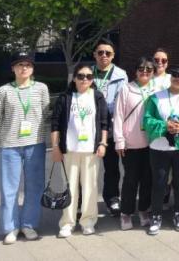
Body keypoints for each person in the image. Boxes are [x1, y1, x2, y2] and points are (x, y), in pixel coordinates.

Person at [0, 53, 50, 245]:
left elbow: (46, 114)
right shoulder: (4, 91)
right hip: (10, 146)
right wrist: (7, 134)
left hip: (35, 144)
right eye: (19, 65)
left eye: (28, 65)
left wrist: (38, 135)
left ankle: (28, 225)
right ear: (13, 68)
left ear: (32, 68)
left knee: (35, 187)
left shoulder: (41, 88)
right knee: (9, 188)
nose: (24, 68)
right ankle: (11, 227)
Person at [51, 64, 108, 238]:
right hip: (69, 150)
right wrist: (55, 147)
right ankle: (67, 223)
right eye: (81, 76)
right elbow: (55, 124)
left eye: (89, 76)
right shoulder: (65, 97)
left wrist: (103, 143)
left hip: (91, 150)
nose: (85, 79)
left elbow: (104, 123)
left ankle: (88, 221)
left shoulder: (97, 96)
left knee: (90, 187)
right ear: (74, 78)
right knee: (69, 187)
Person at [143, 64, 179, 235]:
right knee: (159, 182)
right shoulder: (155, 97)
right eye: (175, 75)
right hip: (159, 146)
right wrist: (165, 125)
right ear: (170, 76)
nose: (177, 79)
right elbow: (147, 120)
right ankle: (156, 215)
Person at [113, 57, 156, 230]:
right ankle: (126, 213)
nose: (145, 72)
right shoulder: (126, 89)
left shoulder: (156, 89)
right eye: (141, 69)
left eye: (149, 69)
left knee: (147, 179)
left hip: (151, 143)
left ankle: (144, 210)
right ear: (135, 71)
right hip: (130, 143)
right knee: (130, 180)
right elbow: (118, 115)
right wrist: (119, 140)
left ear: (153, 72)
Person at [91, 39, 128, 216]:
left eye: (108, 53)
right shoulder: (86, 73)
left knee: (112, 167)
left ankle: (112, 199)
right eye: (100, 52)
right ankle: (84, 202)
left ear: (113, 56)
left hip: (111, 127)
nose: (104, 56)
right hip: (89, 128)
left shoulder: (121, 75)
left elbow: (122, 102)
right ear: (94, 55)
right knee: (88, 167)